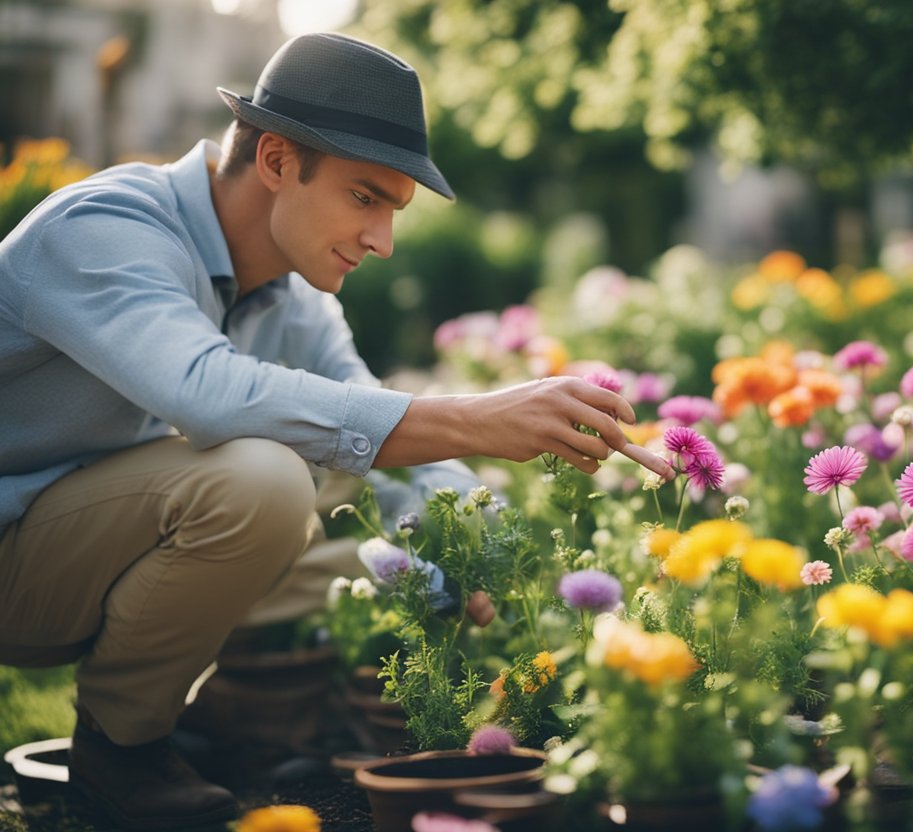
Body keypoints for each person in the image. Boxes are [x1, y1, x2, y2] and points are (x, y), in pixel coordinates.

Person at [0, 31, 673, 829]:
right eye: (365, 198)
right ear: (279, 161)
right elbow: (206, 393)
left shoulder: (295, 301)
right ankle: (121, 752)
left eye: (393, 210)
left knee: (377, 531)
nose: (382, 242)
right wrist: (480, 417)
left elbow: (378, 429)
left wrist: (508, 568)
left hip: (75, 559)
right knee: (265, 480)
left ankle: (232, 714)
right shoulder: (107, 227)